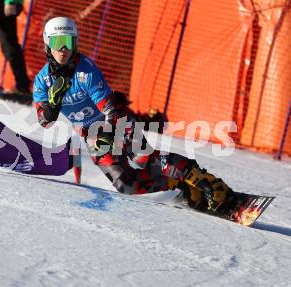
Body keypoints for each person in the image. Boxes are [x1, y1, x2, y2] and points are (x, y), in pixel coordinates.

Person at [32, 16, 237, 215]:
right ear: (47, 43)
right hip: (91, 134)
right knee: (125, 185)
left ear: (75, 43)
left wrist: (109, 132)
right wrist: (52, 104)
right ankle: (179, 184)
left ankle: (210, 184)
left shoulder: (85, 71)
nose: (63, 49)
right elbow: (44, 122)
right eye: (57, 42)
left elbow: (110, 107)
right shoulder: (42, 81)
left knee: (144, 158)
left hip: (115, 121)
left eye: (68, 41)